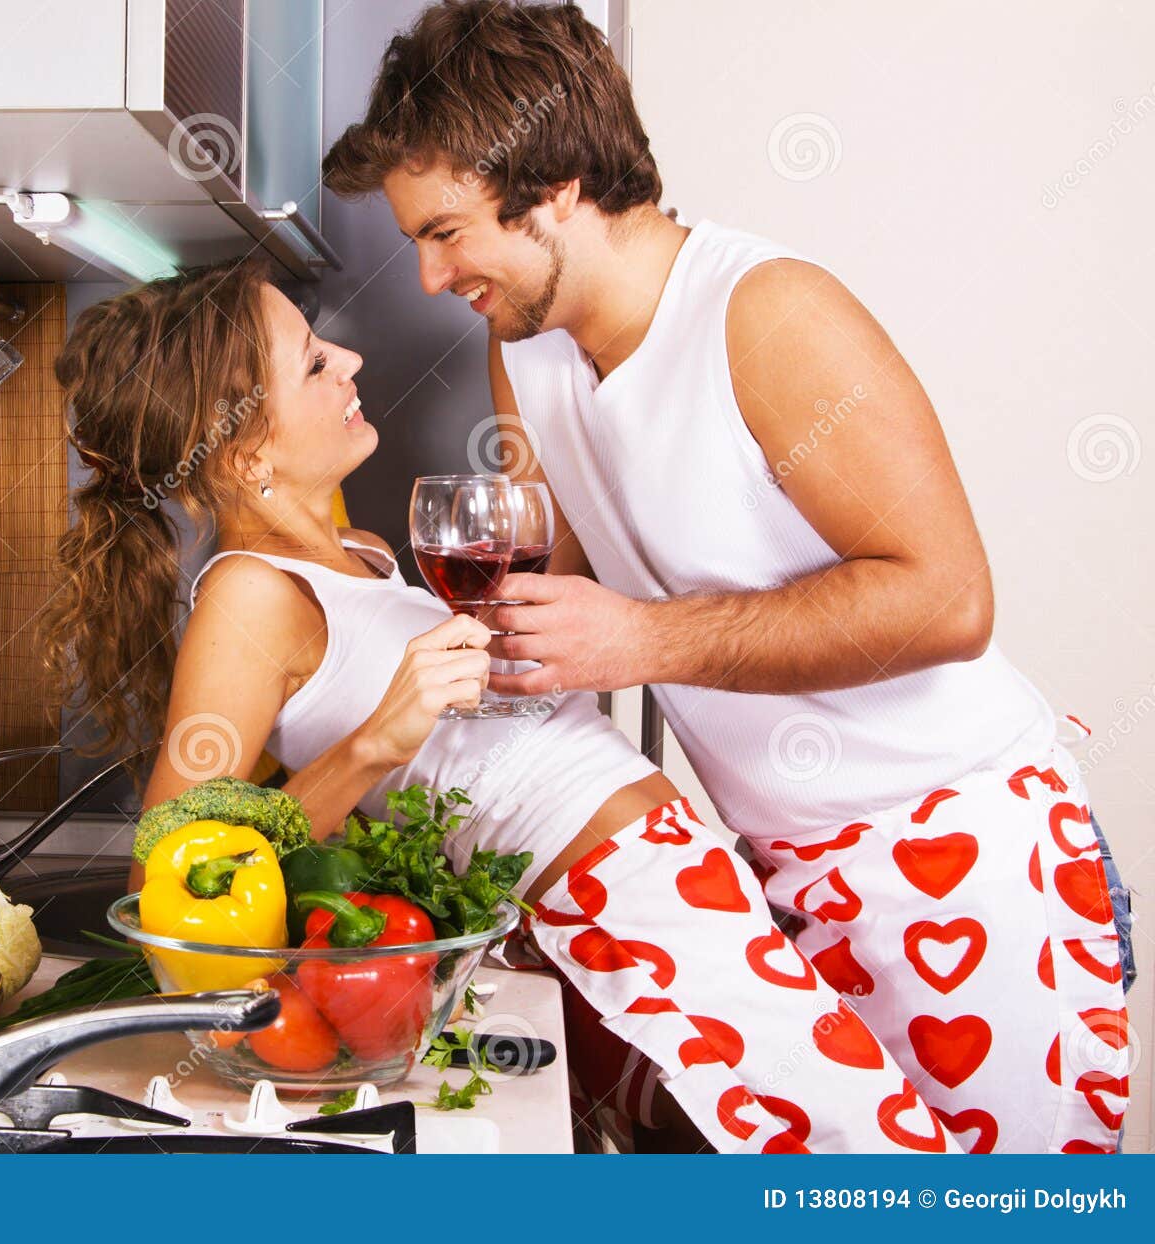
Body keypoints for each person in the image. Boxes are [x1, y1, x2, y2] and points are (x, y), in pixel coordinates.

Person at [322, 0, 1133, 1154]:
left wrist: (640, 641)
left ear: (552, 185)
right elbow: (566, 593)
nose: (426, 275)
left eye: (444, 231)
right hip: (782, 861)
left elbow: (948, 597)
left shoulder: (766, 311)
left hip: (967, 852)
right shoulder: (531, 346)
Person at [42, 258, 965, 1153]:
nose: (351, 363)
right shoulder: (248, 593)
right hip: (615, 895)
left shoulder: (355, 551)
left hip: (645, 884)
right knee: (865, 1152)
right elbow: (165, 883)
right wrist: (372, 746)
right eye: (314, 363)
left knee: (777, 1149)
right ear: (240, 449)